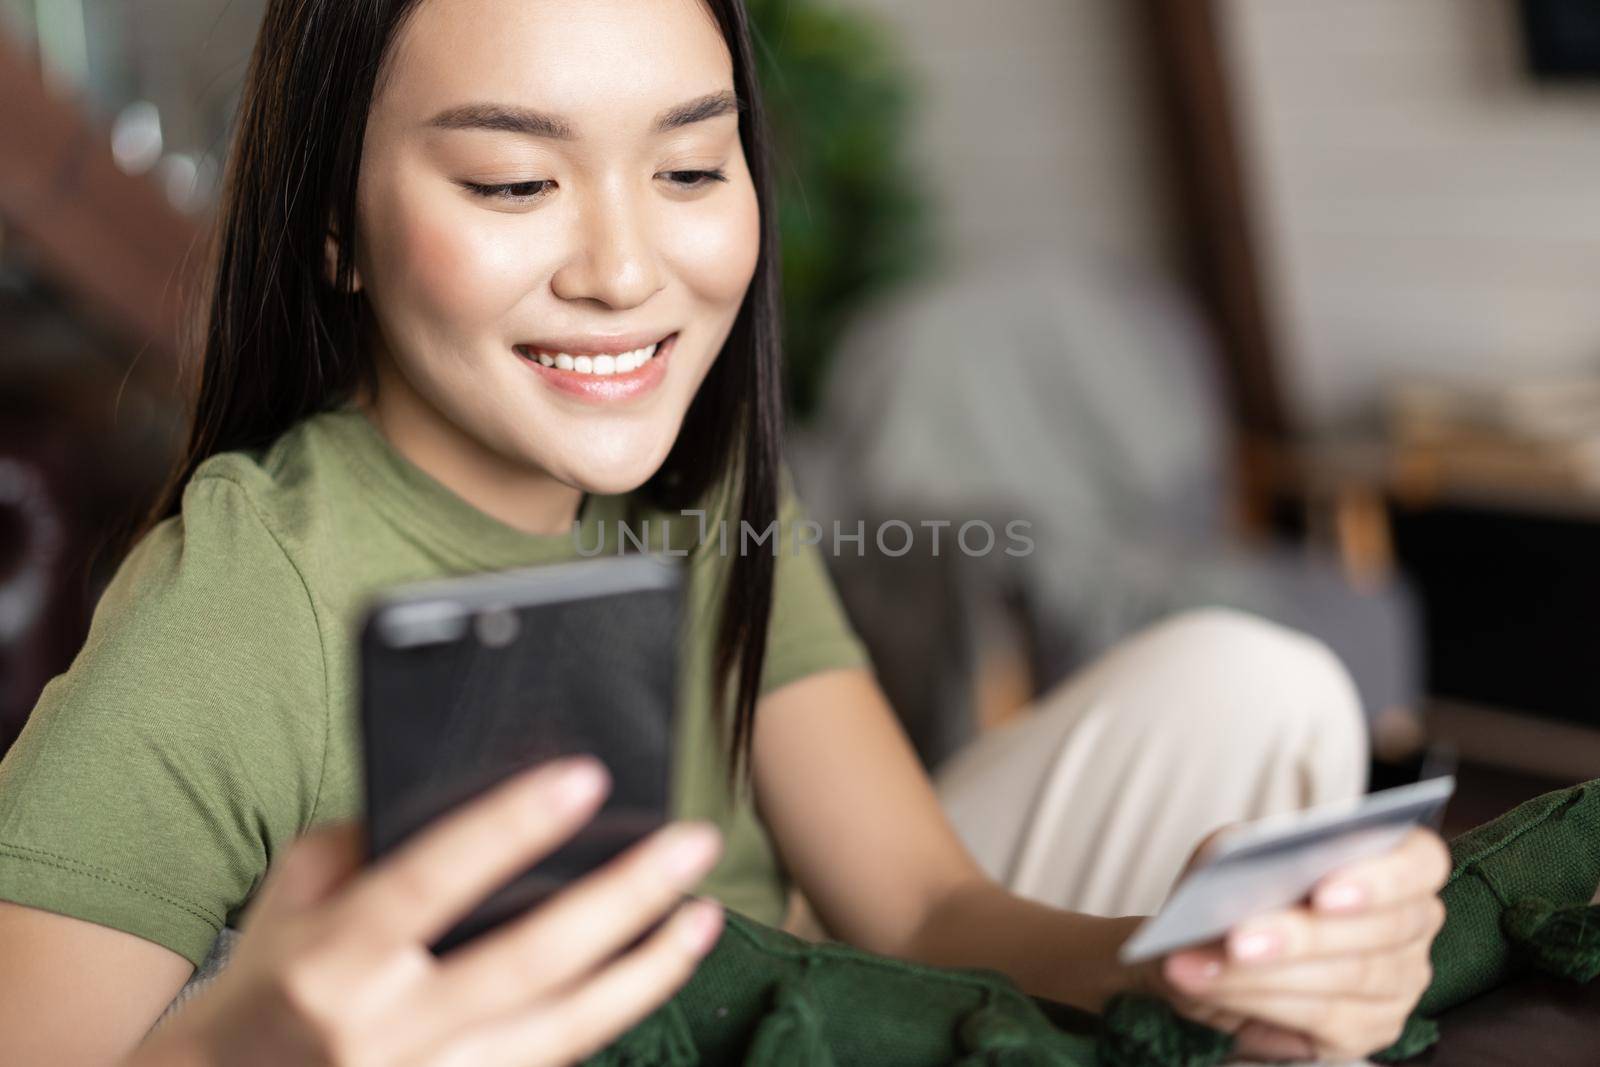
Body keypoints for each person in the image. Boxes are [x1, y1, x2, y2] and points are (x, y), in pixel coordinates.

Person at [0, 0, 1449, 1063]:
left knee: (1254, 685)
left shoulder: (700, 496)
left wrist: (1183, 962)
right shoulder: (245, 598)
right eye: (514, 181)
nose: (627, 271)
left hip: (802, 1026)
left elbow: (927, 910)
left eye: (691, 170)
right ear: (334, 226)